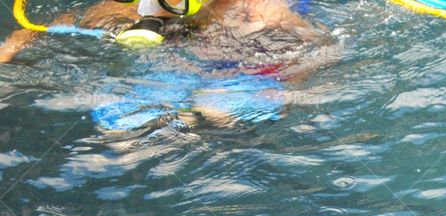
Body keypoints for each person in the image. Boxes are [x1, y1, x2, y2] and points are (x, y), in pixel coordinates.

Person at [0, 0, 338, 127]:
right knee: (118, 124)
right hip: (187, 67)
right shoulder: (140, 11)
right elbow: (63, 19)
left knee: (217, 111)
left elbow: (316, 46)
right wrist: (7, 52)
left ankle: (194, 124)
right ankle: (176, 127)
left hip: (248, 67)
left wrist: (292, 91)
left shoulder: (264, 10)